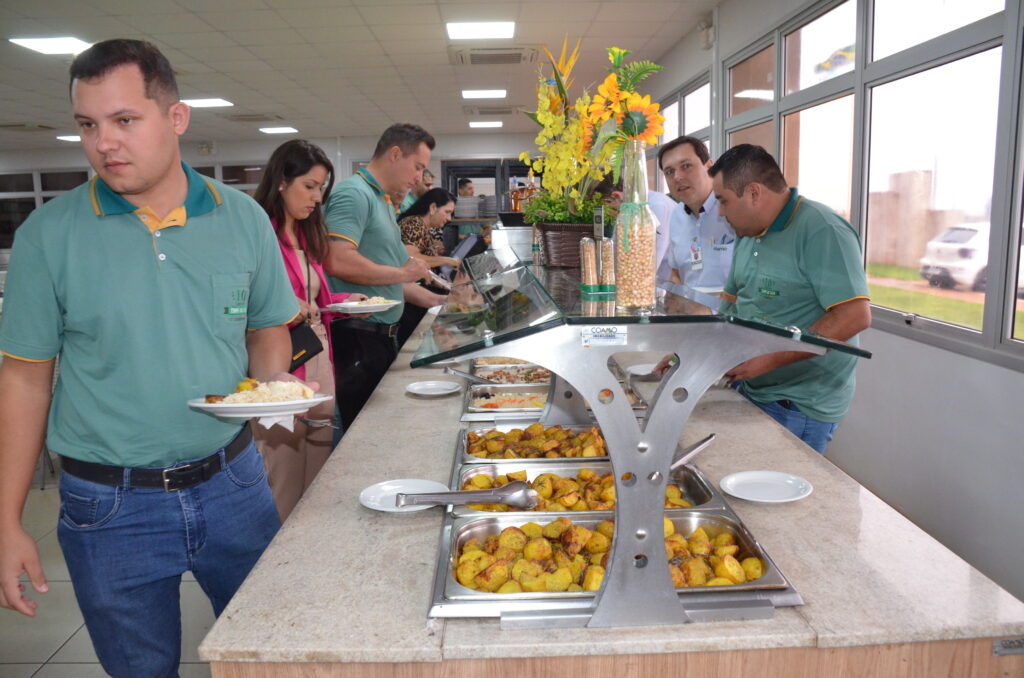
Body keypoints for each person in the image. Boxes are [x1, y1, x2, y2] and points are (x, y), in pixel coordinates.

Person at [0, 39, 299, 677]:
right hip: (109, 506)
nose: (103, 143)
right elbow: (24, 383)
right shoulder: (48, 238)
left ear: (176, 118)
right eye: (88, 125)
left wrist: (270, 391)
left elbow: (270, 329)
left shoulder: (241, 218)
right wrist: (7, 520)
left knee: (272, 655)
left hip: (234, 483)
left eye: (124, 121)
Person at [710, 144, 871, 454]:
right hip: (753, 388)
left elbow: (854, 316)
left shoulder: (822, 229)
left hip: (799, 403)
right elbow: (730, 303)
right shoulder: (748, 233)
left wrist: (770, 358)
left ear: (754, 193)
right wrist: (692, 352)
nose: (720, 212)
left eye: (723, 201)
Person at [251, 139, 362, 521]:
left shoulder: (307, 235)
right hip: (282, 363)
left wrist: (349, 299)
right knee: (281, 473)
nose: (317, 197)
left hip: (318, 359)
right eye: (309, 186)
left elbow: (314, 299)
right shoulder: (259, 235)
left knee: (316, 472)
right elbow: (244, 306)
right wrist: (281, 308)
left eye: (321, 188)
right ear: (282, 181)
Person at [323, 123, 446, 429]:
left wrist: (437, 300)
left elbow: (384, 278)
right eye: (417, 167)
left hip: (380, 338)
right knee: (363, 432)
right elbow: (337, 260)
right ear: (395, 154)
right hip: (358, 339)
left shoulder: (381, 200)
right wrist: (405, 271)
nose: (420, 178)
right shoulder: (353, 194)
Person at [657, 136, 736, 313]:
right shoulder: (676, 215)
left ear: (709, 166)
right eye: (669, 172)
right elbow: (677, 272)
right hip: (692, 324)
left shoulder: (733, 208)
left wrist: (710, 310)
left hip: (733, 323)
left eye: (686, 166)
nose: (677, 177)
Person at [395, 188, 460, 345]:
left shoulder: (423, 226)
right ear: (432, 208)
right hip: (411, 301)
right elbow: (411, 258)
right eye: (447, 212)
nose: (449, 218)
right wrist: (447, 260)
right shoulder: (414, 223)